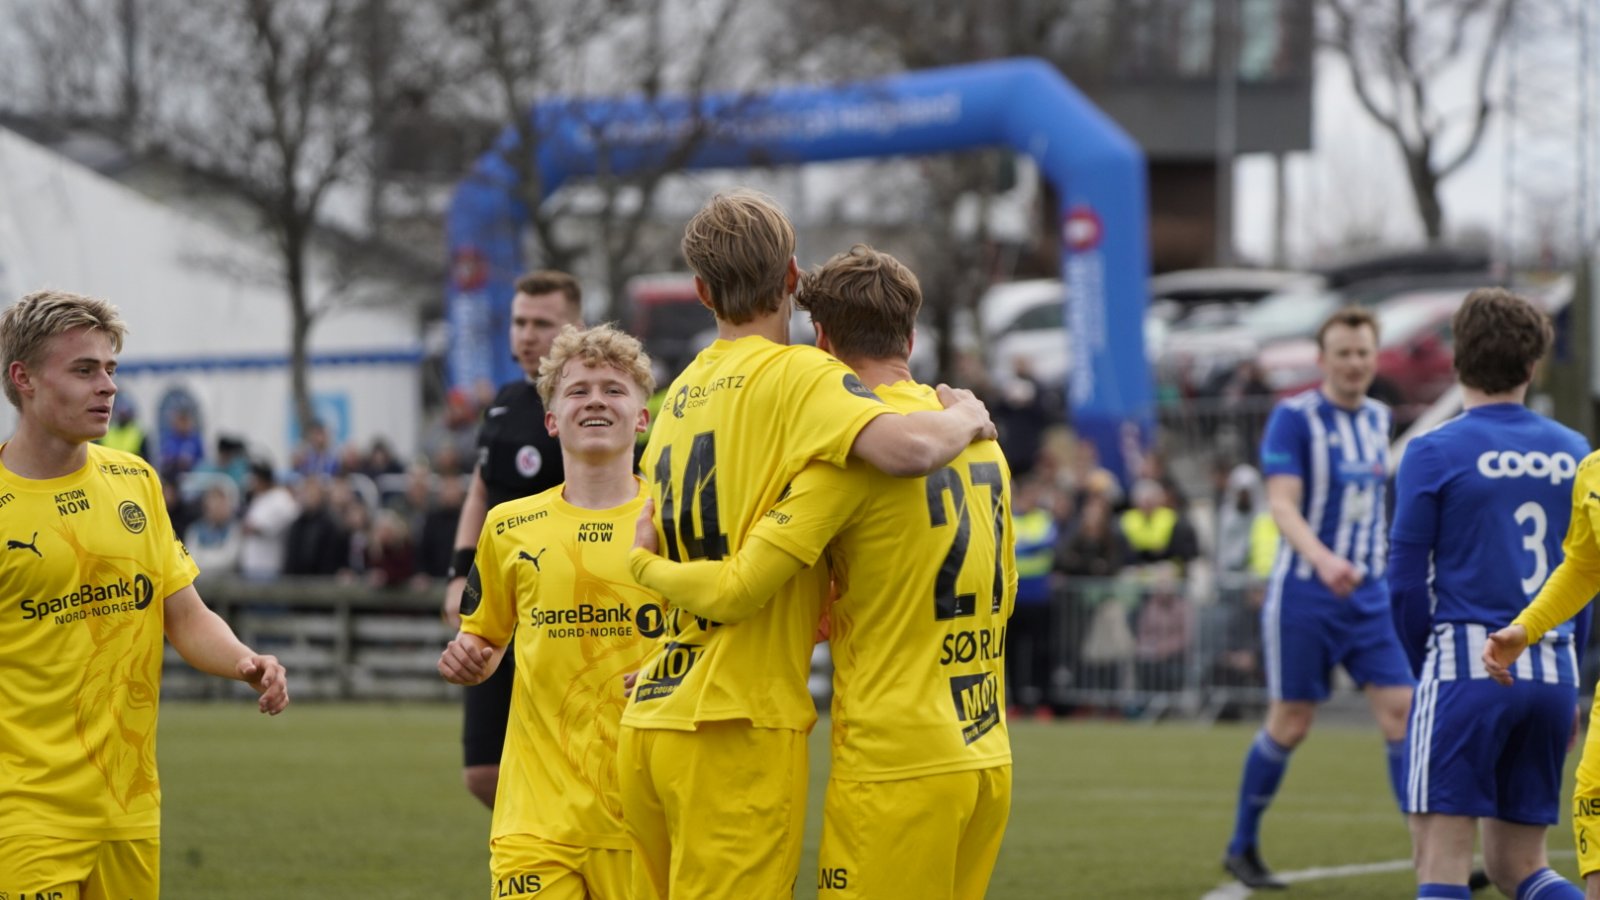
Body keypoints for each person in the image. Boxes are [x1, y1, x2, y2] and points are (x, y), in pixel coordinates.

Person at [618, 193, 995, 900]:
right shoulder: (803, 377)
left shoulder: (676, 399)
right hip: (736, 721)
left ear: (701, 291)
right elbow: (908, 448)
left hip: (656, 710)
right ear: (793, 276)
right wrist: (968, 416)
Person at [0, 289, 288, 898]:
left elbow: (182, 614)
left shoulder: (135, 481)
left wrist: (244, 661)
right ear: (22, 378)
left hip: (129, 808)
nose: (107, 387)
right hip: (22, 814)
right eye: (84, 370)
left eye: (111, 370)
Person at [438, 323, 663, 900]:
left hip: (648, 816)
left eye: (614, 390)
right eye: (578, 389)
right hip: (534, 821)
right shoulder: (507, 526)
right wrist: (471, 657)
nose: (594, 400)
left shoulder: (673, 520)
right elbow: (485, 643)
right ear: (551, 419)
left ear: (641, 418)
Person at [1388, 288, 1589, 899]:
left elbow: (1402, 578)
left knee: (1440, 861)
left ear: (1457, 359)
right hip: (1551, 667)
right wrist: (1568, 663)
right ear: (1533, 365)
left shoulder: (1433, 450)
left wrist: (1428, 659)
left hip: (1466, 665)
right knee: (1519, 867)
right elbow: (1587, 574)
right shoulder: (1576, 451)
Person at [1222, 306, 1416, 889]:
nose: (1355, 363)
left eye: (1363, 353)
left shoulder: (1380, 418)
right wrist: (1324, 559)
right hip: (1307, 593)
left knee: (1401, 714)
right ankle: (1242, 845)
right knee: (1292, 722)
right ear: (1322, 358)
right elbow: (1282, 503)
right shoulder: (1294, 418)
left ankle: (1433, 850)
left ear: (1374, 357)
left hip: (1371, 594)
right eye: (1344, 353)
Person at [441, 269, 582, 808]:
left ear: (575, 326)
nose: (526, 335)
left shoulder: (587, 402)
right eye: (519, 322)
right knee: (482, 771)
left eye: (542, 323)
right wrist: (459, 575)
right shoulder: (503, 402)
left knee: (568, 754)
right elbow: (481, 493)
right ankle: (547, 847)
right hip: (500, 605)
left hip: (562, 607)